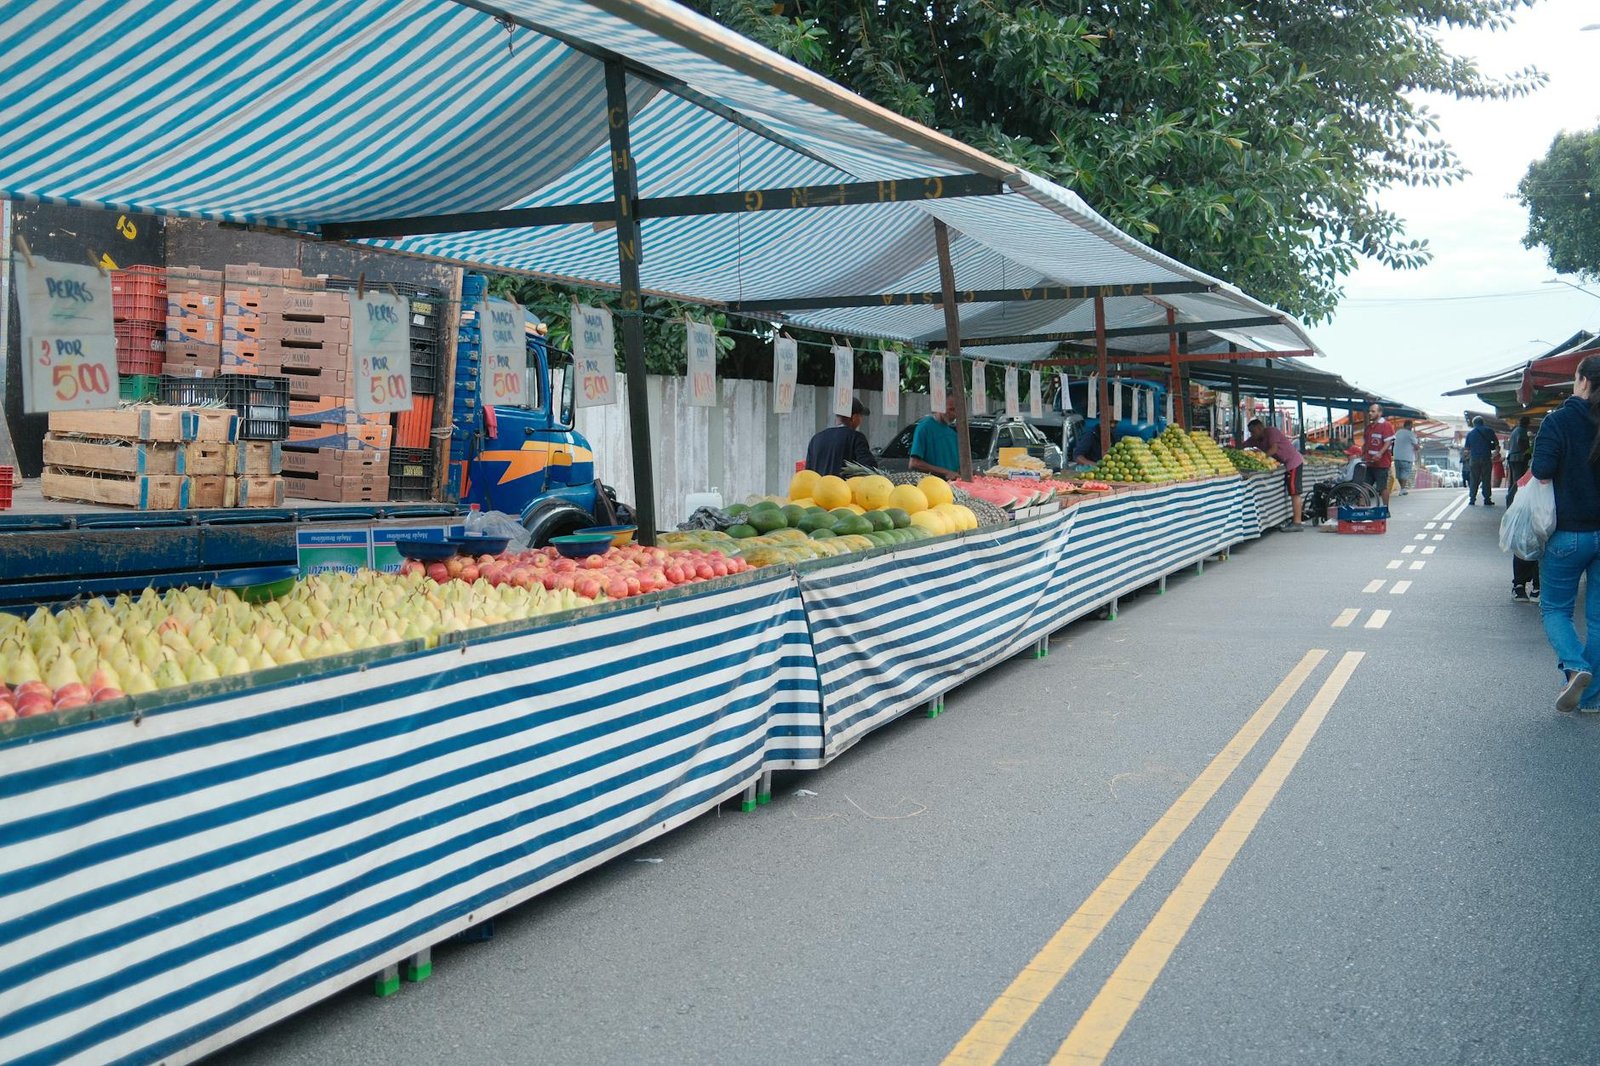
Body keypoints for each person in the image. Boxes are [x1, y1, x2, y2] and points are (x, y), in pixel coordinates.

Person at [1530, 354, 1600, 712]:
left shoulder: (1558, 421)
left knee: (1556, 609)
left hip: (1569, 533)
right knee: (1599, 618)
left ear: (1583, 381)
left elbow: (1541, 470)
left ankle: (1576, 668)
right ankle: (1589, 699)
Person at [1241, 417, 1305, 529]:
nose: (1252, 435)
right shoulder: (1255, 439)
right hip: (1286, 464)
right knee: (1293, 491)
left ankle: (1297, 523)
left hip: (1293, 462)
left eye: (1254, 431)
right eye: (1251, 432)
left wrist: (1260, 459)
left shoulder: (1271, 431)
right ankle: (1295, 520)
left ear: (1260, 428)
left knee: (1295, 492)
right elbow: (1243, 445)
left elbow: (1274, 449)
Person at [804, 397, 876, 477]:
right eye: (860, 416)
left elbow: (808, 474)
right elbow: (869, 470)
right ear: (854, 418)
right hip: (845, 489)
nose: (861, 420)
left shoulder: (816, 439)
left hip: (819, 489)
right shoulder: (856, 438)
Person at [909, 393, 961, 480]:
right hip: (931, 486)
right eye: (951, 409)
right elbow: (914, 463)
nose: (954, 414)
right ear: (940, 406)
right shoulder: (925, 427)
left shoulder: (953, 433)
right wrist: (945, 472)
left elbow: (957, 468)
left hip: (954, 487)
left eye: (957, 410)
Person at [1361, 403, 1396, 506]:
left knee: (1382, 488)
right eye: (1369, 411)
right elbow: (1366, 443)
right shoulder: (1369, 427)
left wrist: (1380, 453)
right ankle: (1363, 509)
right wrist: (1363, 454)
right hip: (1369, 462)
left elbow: (1388, 442)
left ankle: (1385, 508)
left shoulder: (1386, 425)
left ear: (1380, 413)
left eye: (1373, 411)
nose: (1370, 413)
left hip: (1381, 464)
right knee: (1364, 487)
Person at [1463, 416, 1500, 505]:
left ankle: (1472, 499)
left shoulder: (1470, 434)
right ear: (1483, 422)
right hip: (1486, 458)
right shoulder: (1489, 431)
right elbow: (1496, 445)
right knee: (1486, 479)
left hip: (1474, 459)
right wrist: (1495, 454)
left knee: (1474, 479)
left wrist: (1467, 459)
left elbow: (1466, 450)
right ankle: (1487, 499)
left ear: (1474, 423)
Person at [1506, 415, 1532, 505]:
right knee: (1518, 479)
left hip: (1512, 457)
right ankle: (1511, 497)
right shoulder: (1522, 430)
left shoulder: (1515, 430)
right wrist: (1526, 451)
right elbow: (1520, 441)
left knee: (1514, 479)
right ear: (1527, 423)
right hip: (1519, 457)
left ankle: (1511, 496)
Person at [1392, 420, 1419, 495]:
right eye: (1412, 426)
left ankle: (1402, 489)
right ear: (1410, 425)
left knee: (1399, 474)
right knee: (1405, 473)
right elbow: (1416, 446)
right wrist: (1417, 448)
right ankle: (1402, 489)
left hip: (1397, 456)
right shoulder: (1410, 434)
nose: (1412, 427)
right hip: (1407, 457)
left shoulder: (1398, 432)